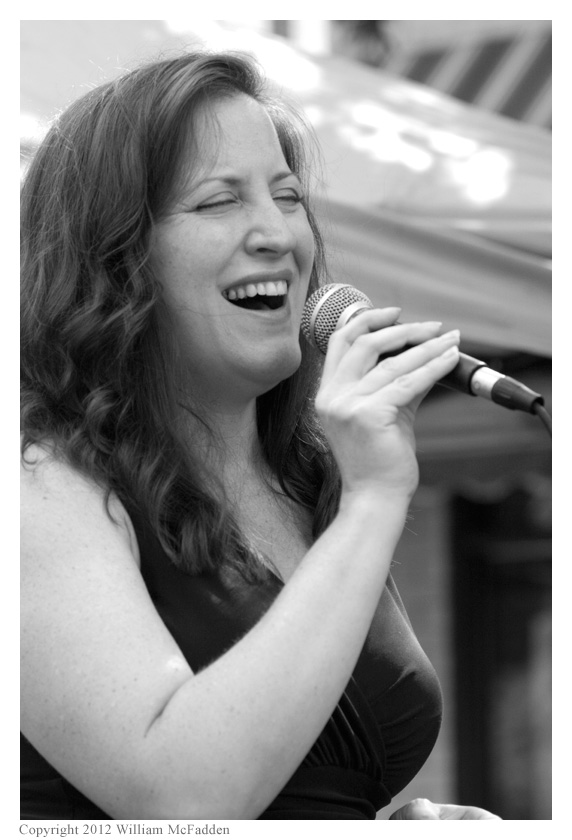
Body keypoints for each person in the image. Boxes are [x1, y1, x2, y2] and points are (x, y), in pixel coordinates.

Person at [20, 50, 501, 821]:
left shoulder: (312, 481)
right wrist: (375, 499)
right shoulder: (36, 486)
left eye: (288, 197)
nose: (278, 233)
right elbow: (180, 798)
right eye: (219, 202)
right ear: (114, 258)